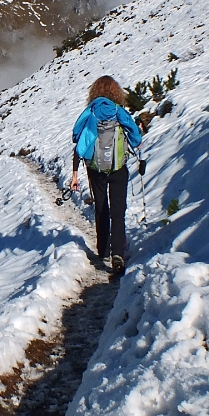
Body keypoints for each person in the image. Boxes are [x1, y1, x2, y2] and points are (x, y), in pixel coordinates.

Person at [70, 75, 143, 274]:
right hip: (118, 167)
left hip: (95, 169)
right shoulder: (118, 111)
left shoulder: (90, 112)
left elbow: (77, 137)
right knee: (118, 210)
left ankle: (102, 249)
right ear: (116, 92)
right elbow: (135, 135)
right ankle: (117, 252)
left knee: (101, 207)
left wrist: (75, 173)